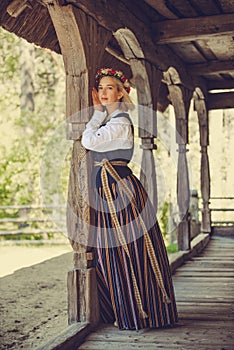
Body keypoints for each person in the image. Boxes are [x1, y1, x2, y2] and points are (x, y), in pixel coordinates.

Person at [81, 67, 178, 330]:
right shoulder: (112, 122)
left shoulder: (119, 123)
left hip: (119, 192)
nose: (102, 93)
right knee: (112, 250)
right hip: (111, 190)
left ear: (122, 93)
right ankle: (125, 309)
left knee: (125, 249)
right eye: (100, 88)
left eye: (109, 88)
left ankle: (140, 311)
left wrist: (96, 114)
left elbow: (88, 141)